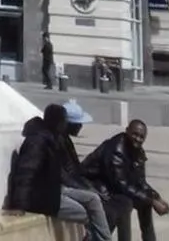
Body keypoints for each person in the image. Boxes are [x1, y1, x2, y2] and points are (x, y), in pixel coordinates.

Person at [5, 103, 107, 234]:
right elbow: (25, 173)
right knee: (83, 211)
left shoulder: (53, 138)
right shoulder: (37, 142)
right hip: (41, 196)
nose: (65, 124)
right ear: (57, 122)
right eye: (64, 121)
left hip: (54, 189)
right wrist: (19, 204)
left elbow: (64, 173)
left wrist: (86, 188)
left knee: (93, 200)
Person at [81, 119, 169, 241]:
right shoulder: (116, 150)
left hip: (112, 186)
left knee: (145, 202)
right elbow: (121, 185)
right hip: (96, 187)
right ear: (127, 131)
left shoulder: (137, 150)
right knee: (125, 203)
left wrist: (156, 197)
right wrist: (152, 201)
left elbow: (140, 181)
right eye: (134, 134)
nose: (137, 139)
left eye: (141, 137)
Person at [58, 100, 112, 241]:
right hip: (60, 189)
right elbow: (64, 175)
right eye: (78, 124)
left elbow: (76, 169)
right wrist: (87, 189)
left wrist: (91, 185)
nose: (81, 127)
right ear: (68, 124)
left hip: (69, 184)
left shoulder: (65, 140)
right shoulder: (57, 142)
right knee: (92, 203)